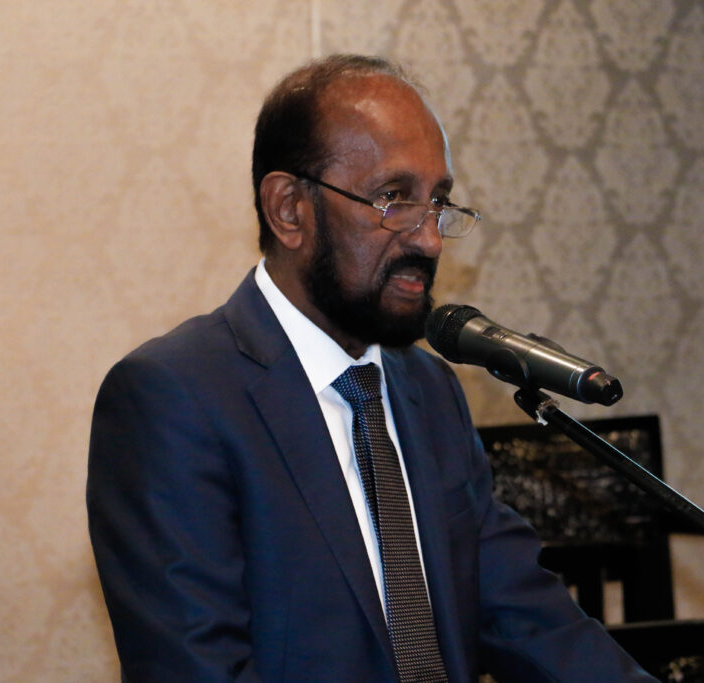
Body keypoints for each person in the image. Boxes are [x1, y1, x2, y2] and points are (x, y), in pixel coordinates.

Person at [87, 54, 656, 682]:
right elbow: (195, 667)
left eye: (438, 201)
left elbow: (528, 618)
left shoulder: (430, 390)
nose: (430, 238)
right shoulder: (174, 397)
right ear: (289, 209)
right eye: (394, 198)